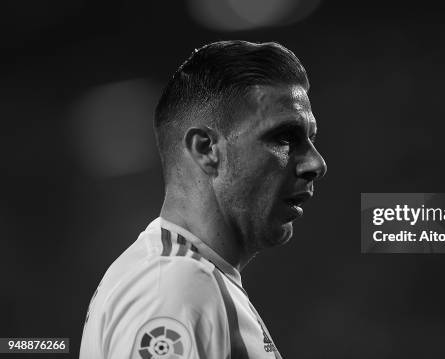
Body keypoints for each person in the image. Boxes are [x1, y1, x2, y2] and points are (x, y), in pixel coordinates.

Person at [79, 40, 327, 359]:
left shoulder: (192, 277)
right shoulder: (173, 284)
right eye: (284, 137)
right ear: (206, 149)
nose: (316, 163)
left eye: (310, 139)